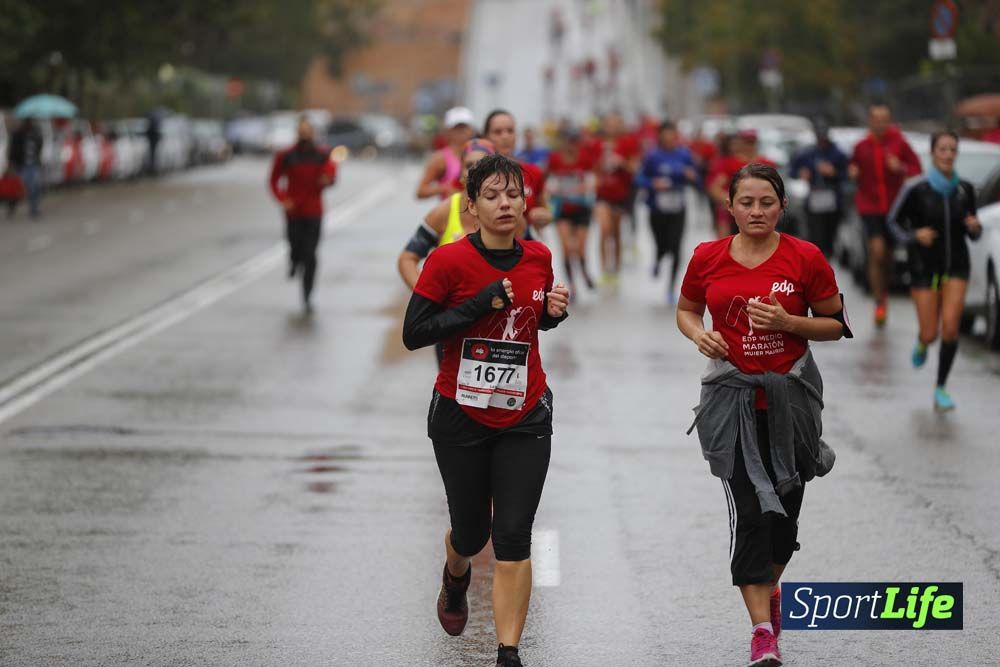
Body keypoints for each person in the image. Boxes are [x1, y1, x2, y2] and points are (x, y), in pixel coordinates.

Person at [677, 163, 851, 667]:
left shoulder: (805, 257)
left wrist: (788, 320)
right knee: (751, 514)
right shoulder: (707, 257)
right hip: (731, 404)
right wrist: (698, 334)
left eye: (766, 203)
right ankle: (760, 633)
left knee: (784, 519)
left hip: (790, 404)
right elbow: (687, 309)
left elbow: (835, 325)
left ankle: (771, 587)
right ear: (729, 207)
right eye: (746, 203)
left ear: (782, 207)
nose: (756, 211)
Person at [402, 154, 570, 667]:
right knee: (472, 534)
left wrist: (551, 314)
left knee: (513, 534)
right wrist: (480, 303)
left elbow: (529, 320)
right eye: (492, 196)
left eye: (513, 195)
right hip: (460, 413)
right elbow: (415, 333)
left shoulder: (539, 257)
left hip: (525, 413)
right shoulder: (449, 261)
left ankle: (508, 652)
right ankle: (455, 577)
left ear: (526, 203)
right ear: (470, 206)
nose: (505, 204)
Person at [887, 131, 981, 412]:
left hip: (957, 266)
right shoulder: (916, 189)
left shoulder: (965, 189)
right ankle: (922, 342)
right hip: (924, 267)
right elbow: (893, 222)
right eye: (943, 149)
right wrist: (914, 236)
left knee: (951, 327)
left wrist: (975, 228)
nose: (948, 154)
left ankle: (941, 387)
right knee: (931, 333)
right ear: (933, 153)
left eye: (953, 149)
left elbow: (972, 230)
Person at [848, 103, 922, 327]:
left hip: (895, 207)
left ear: (889, 121)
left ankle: (884, 293)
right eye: (876, 119)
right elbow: (852, 169)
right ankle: (879, 301)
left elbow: (917, 170)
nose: (880, 123)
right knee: (877, 251)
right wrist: (853, 172)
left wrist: (900, 167)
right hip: (870, 206)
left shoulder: (899, 143)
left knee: (888, 256)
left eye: (884, 119)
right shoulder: (861, 146)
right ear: (870, 121)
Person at [398, 139, 496, 290]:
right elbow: (406, 259)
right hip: (451, 312)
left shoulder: (506, 211)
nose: (475, 171)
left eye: (483, 165)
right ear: (461, 173)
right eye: (469, 166)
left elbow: (530, 264)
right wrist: (427, 297)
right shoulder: (446, 211)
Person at [268, 115, 337, 314]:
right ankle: (293, 260)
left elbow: (331, 174)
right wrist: (283, 199)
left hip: (314, 212)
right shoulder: (286, 155)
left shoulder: (322, 154)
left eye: (308, 132)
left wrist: (327, 179)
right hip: (293, 213)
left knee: (311, 255)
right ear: (297, 133)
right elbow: (273, 180)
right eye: (301, 132)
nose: (305, 135)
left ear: (313, 133)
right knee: (295, 245)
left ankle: (307, 294)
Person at [634, 120, 699, 303]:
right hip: (657, 207)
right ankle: (657, 258)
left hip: (678, 206)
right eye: (666, 134)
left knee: (676, 247)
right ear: (660, 135)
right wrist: (653, 184)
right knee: (662, 243)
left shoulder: (684, 154)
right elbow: (639, 178)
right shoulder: (652, 156)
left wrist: (691, 175)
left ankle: (670, 288)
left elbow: (698, 178)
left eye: (673, 134)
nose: (670, 138)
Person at [482, 110, 554, 238]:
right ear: (486, 137)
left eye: (510, 131)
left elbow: (547, 212)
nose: (505, 136)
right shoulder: (475, 173)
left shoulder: (533, 172)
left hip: (523, 248)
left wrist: (543, 217)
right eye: (498, 132)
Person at [593, 112, 642, 284]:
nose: (611, 127)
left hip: (621, 195)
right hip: (602, 196)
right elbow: (590, 168)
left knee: (615, 233)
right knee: (604, 230)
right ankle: (605, 269)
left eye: (615, 124)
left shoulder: (627, 143)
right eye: (608, 123)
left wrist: (622, 163)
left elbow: (635, 167)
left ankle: (616, 270)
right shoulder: (597, 144)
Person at [789, 121, 849, 257]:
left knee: (830, 235)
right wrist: (801, 173)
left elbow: (848, 176)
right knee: (815, 235)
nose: (822, 141)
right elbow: (792, 170)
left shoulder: (838, 154)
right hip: (814, 199)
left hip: (833, 200)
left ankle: (828, 257)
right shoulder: (807, 153)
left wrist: (833, 173)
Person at [547, 128, 597, 293]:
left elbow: (593, 180)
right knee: (567, 248)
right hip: (562, 209)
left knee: (581, 248)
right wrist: (552, 191)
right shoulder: (554, 159)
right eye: (567, 142)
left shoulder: (585, 158)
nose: (571, 146)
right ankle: (573, 285)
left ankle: (584, 272)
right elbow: (547, 181)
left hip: (582, 208)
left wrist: (585, 187)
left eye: (574, 142)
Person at [708, 130, 774, 238]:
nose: (749, 145)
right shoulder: (729, 163)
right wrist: (735, 201)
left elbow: (776, 189)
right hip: (730, 215)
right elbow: (715, 188)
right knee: (725, 247)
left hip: (759, 213)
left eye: (752, 142)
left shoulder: (766, 163)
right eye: (747, 142)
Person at [416, 106, 475, 200]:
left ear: (471, 129)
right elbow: (420, 191)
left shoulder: (480, 152)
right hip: (450, 212)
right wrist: (444, 188)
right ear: (448, 131)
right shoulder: (440, 158)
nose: (461, 130)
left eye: (464, 126)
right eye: (456, 127)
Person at [6, 118, 43, 218]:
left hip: (33, 164)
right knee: (20, 187)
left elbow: (40, 146)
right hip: (21, 165)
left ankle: (34, 209)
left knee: (34, 187)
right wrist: (11, 164)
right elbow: (12, 150)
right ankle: (12, 206)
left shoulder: (36, 134)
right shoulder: (18, 134)